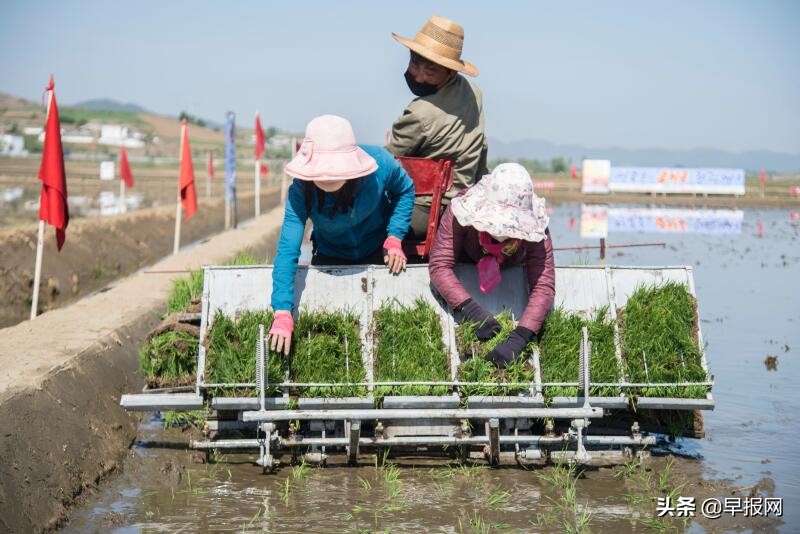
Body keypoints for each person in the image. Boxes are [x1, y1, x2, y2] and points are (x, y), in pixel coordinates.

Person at [268, 115, 415, 354]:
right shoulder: (300, 191)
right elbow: (288, 248)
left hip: (377, 250)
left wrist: (395, 236)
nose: (328, 180)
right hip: (330, 256)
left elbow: (405, 190)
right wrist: (282, 311)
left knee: (385, 332)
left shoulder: (379, 165)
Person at [428, 163, 555, 369]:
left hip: (510, 270)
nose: (504, 233)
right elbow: (439, 265)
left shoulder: (537, 230)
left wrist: (520, 337)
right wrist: (471, 311)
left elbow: (544, 285)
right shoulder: (460, 211)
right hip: (469, 266)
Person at [387, 15, 488, 239]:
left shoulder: (419, 114)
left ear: (450, 71)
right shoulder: (474, 93)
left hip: (422, 213)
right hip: (464, 208)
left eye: (430, 72)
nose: (419, 77)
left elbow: (386, 166)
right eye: (415, 64)